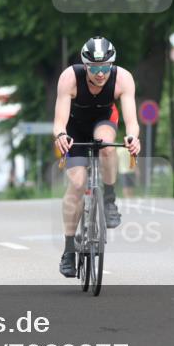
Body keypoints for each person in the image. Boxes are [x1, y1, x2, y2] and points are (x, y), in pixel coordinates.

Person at [53, 36, 141, 278]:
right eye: (94, 68)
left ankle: (109, 198)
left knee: (108, 147)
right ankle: (69, 250)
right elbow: (59, 121)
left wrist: (132, 138)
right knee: (77, 183)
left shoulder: (123, 78)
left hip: (103, 121)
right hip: (74, 128)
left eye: (105, 67)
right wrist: (60, 135)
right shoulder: (69, 78)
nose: (101, 73)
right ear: (85, 65)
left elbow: (132, 122)